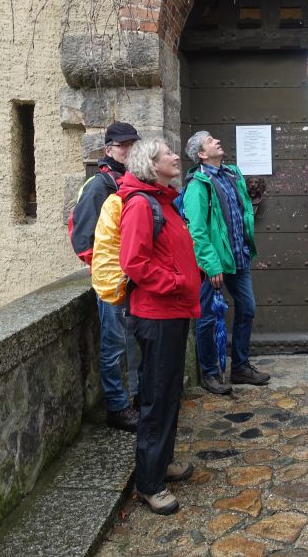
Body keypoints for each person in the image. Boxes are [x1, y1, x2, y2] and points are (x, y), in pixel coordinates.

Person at [119, 138, 200, 515]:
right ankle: (149, 484)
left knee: (168, 394)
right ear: (151, 164)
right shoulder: (141, 205)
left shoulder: (163, 201)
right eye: (167, 153)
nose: (175, 156)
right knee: (155, 398)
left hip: (173, 312)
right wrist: (176, 282)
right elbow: (134, 262)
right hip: (157, 315)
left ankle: (162, 462)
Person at [183, 131, 271, 394]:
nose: (217, 141)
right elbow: (197, 230)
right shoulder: (197, 185)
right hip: (215, 264)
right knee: (208, 317)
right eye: (210, 141)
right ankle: (210, 373)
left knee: (247, 308)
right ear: (201, 154)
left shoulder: (232, 174)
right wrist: (211, 265)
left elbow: (241, 213)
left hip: (238, 257)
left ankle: (240, 367)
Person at [69, 121, 141, 432]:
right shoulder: (99, 186)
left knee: (133, 343)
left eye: (132, 144)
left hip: (134, 279)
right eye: (123, 145)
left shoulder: (130, 181)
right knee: (114, 346)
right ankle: (117, 406)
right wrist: (109, 271)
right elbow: (83, 240)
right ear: (109, 149)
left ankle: (135, 399)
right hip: (113, 281)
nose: (128, 150)